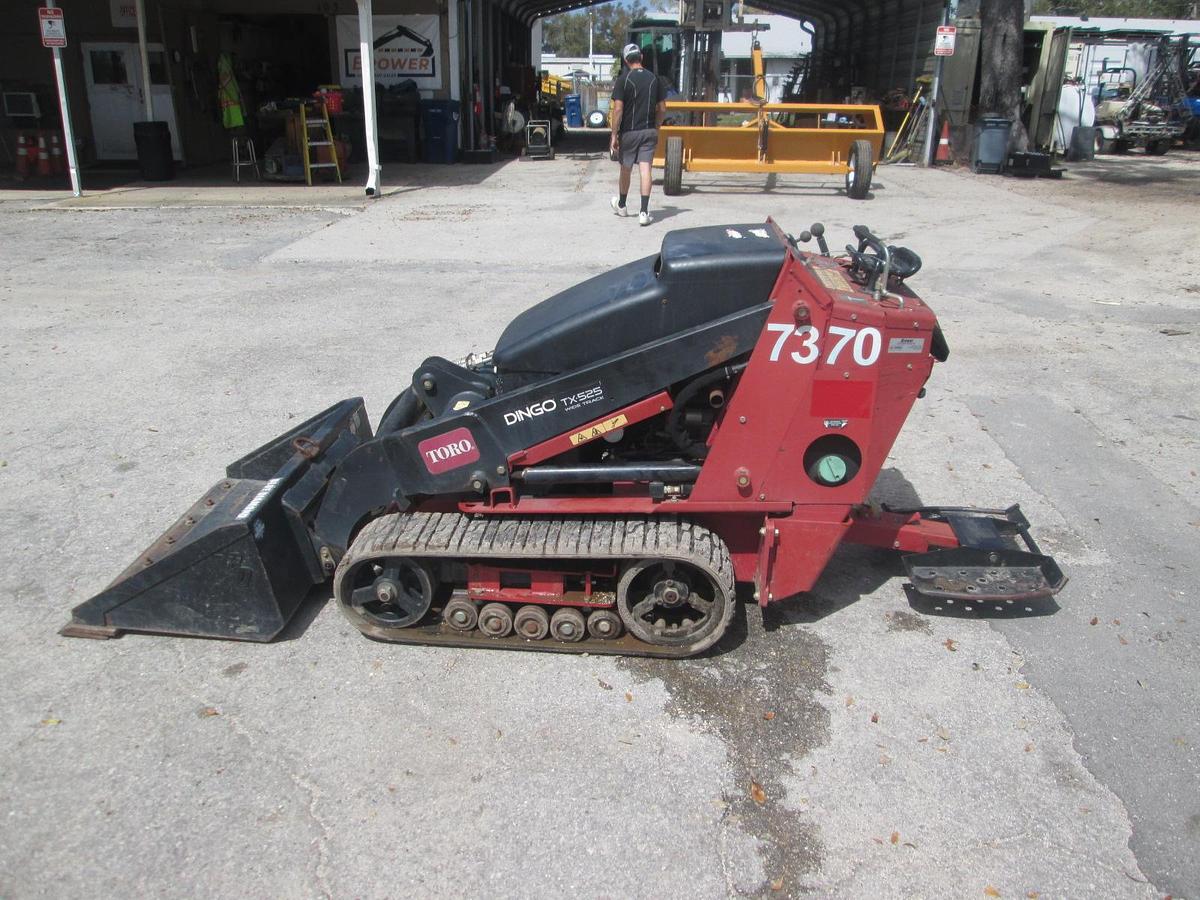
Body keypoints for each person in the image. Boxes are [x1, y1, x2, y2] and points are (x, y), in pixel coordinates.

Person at [609, 43, 667, 226]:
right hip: (649, 131)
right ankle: (644, 212)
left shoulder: (623, 80)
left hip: (630, 132)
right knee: (645, 170)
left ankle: (623, 205)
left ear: (626, 60)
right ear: (641, 57)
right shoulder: (654, 79)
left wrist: (613, 134)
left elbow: (618, 110)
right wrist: (657, 124)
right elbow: (663, 108)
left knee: (626, 168)